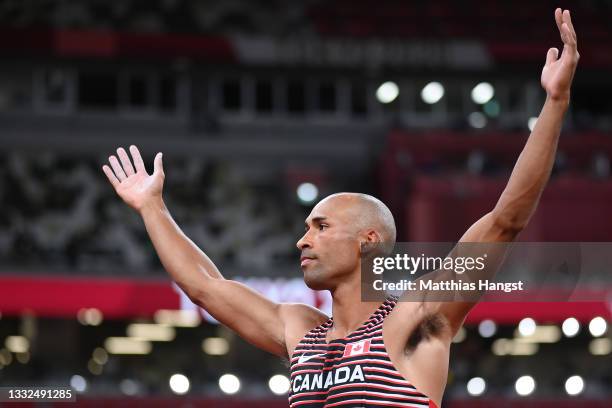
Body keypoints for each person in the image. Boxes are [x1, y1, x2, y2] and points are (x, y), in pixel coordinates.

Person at [102, 8, 579, 407]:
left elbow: (505, 220)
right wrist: (151, 207)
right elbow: (205, 288)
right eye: (306, 228)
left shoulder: (417, 317)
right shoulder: (300, 329)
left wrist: (555, 102)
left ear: (369, 241)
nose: (302, 240)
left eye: (320, 226)